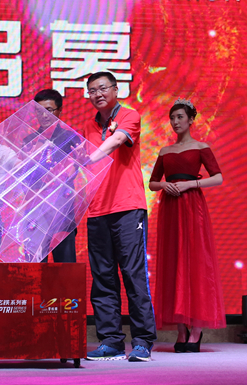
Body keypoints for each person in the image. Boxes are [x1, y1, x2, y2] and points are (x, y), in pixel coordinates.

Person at [82, 72, 157, 362]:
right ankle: (111, 341)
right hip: (97, 209)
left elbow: (116, 141)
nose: (98, 94)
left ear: (115, 89)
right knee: (102, 278)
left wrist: (86, 159)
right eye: (92, 90)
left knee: (133, 274)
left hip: (127, 208)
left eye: (102, 88)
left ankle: (142, 342)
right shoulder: (88, 125)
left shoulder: (129, 115)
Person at [148, 98, 224, 353]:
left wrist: (191, 184)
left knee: (195, 262)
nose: (175, 122)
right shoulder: (165, 151)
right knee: (174, 263)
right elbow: (152, 183)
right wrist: (165, 185)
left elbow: (218, 177)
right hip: (171, 207)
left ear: (191, 120)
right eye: (172, 118)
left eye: (180, 117)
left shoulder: (201, 147)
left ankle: (197, 330)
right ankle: (181, 329)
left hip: (193, 207)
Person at [31, 89, 79, 263]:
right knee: (35, 268)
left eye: (49, 110)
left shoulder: (71, 138)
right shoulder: (29, 140)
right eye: (39, 111)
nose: (44, 115)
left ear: (60, 111)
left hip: (62, 211)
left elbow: (77, 170)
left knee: (65, 268)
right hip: (35, 213)